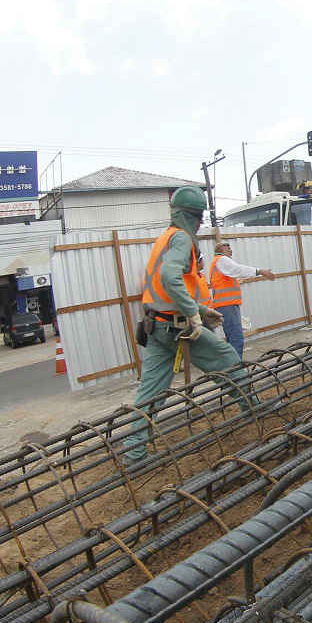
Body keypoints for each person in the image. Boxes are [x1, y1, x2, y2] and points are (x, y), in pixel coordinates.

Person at [124, 186, 241, 461]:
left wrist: (201, 309)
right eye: (199, 219)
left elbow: (163, 293)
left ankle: (134, 451)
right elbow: (169, 278)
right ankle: (258, 409)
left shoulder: (164, 238)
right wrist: (193, 313)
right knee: (228, 359)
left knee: (150, 393)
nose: (199, 225)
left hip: (156, 326)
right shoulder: (182, 239)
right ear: (194, 217)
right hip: (176, 327)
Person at [205, 232, 273, 359]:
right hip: (227, 305)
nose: (231, 250)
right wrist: (259, 271)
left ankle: (232, 365)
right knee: (236, 337)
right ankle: (236, 366)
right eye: (228, 248)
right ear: (221, 249)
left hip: (226, 305)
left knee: (232, 337)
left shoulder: (219, 263)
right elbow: (238, 269)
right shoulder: (221, 260)